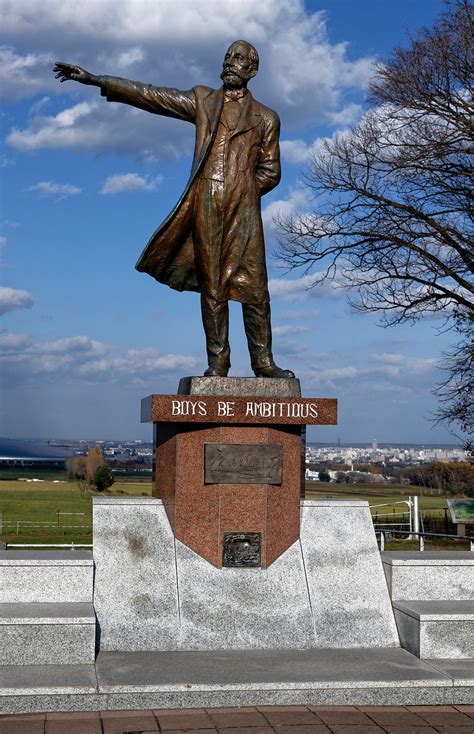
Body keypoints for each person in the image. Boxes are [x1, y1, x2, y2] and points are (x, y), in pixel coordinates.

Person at [54, 41, 294, 378]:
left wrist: (245, 190)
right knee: (212, 287)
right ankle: (218, 361)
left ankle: (263, 362)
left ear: (251, 69)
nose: (229, 62)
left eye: (238, 58)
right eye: (226, 57)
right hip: (206, 202)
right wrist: (97, 80)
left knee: (255, 288)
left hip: (244, 209)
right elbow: (152, 96)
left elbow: (271, 170)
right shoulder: (204, 101)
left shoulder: (267, 118)